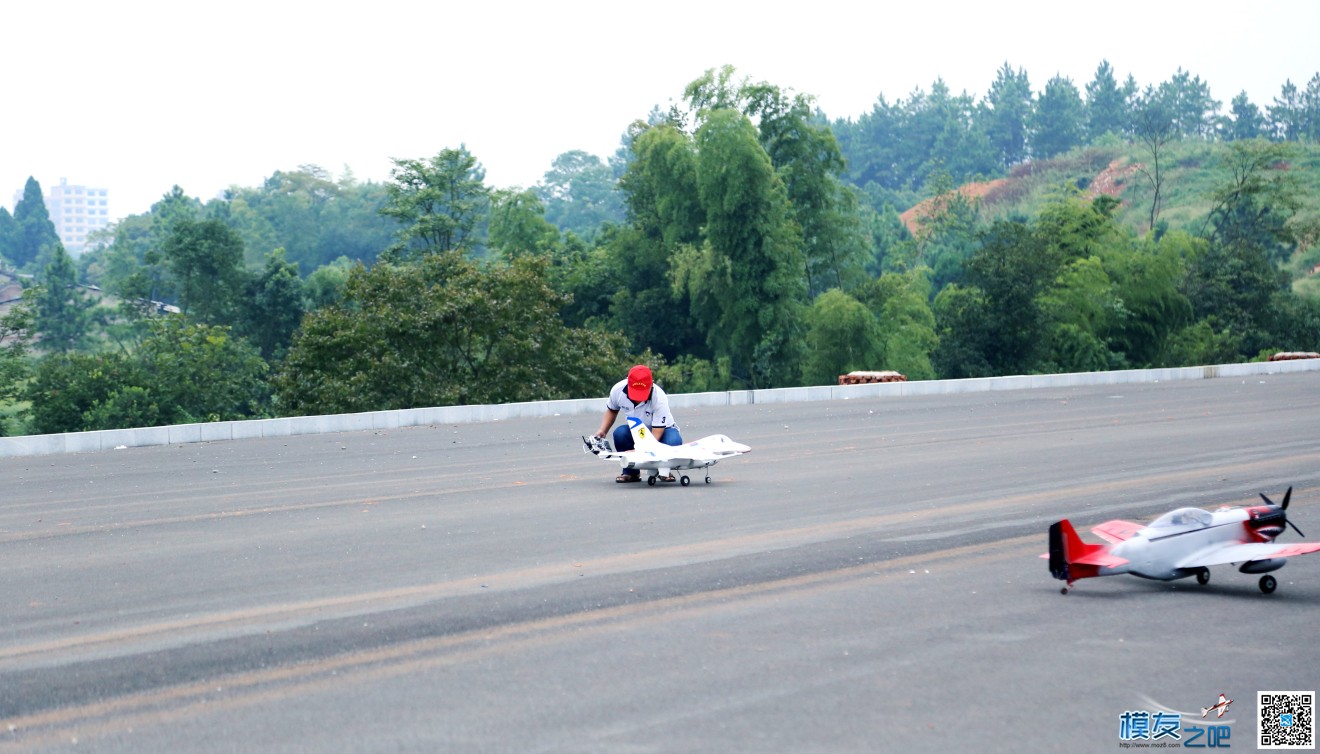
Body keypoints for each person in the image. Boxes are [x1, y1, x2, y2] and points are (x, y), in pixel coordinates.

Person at [593, 364, 683, 483]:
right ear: (627, 382)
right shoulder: (618, 390)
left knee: (674, 441)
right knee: (620, 434)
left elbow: (657, 432)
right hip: (638, 431)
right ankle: (630, 472)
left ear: (651, 384)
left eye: (642, 393)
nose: (638, 398)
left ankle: (663, 471)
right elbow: (612, 410)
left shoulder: (659, 397)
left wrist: (641, 451)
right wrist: (602, 431)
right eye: (635, 392)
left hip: (662, 431)